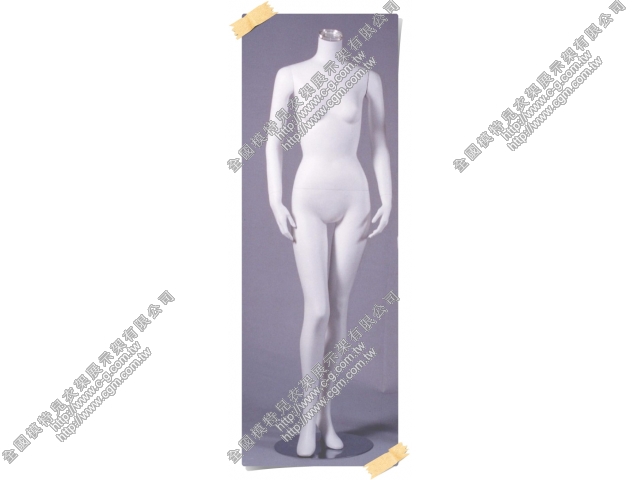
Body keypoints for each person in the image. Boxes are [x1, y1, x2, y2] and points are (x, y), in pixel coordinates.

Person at [265, 28, 392, 457]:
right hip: (307, 197)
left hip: (355, 196)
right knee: (317, 309)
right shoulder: (290, 74)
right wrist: (275, 199)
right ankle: (307, 419)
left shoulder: (367, 78)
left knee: (339, 310)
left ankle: (326, 417)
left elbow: (378, 142)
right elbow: (273, 140)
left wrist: (389, 198)